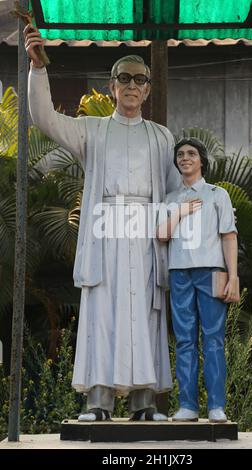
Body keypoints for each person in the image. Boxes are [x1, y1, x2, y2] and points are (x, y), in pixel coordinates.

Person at [24, 24, 181, 421]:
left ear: (147, 90)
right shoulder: (91, 131)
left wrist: (211, 211)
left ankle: (145, 402)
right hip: (105, 230)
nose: (132, 85)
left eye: (139, 79)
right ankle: (99, 401)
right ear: (112, 86)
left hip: (147, 233)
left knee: (146, 312)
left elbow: (179, 192)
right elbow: (44, 118)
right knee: (103, 312)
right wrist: (38, 68)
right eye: (124, 78)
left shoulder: (163, 137)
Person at [156, 138, 238, 422]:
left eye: (191, 153)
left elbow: (229, 236)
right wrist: (179, 212)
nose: (185, 158)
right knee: (184, 341)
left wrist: (233, 277)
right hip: (179, 273)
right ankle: (187, 406)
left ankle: (216, 406)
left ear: (202, 160)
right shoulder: (170, 199)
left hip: (212, 272)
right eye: (180, 154)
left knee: (213, 339)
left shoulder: (218, 195)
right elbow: (162, 235)